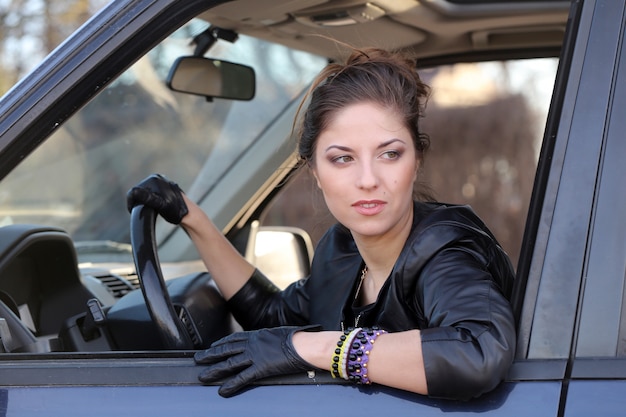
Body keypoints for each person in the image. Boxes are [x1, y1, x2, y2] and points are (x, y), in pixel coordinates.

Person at [126, 47, 516, 400]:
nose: (368, 179)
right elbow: (274, 318)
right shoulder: (342, 249)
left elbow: (478, 352)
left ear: (416, 161)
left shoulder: (444, 251)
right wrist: (193, 219)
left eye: (390, 154)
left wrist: (310, 348)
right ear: (314, 171)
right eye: (342, 158)